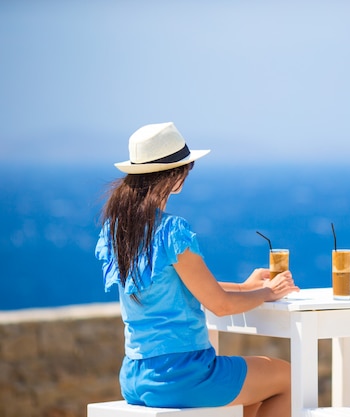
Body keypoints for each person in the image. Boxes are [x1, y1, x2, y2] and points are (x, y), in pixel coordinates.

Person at [95, 122, 299, 417]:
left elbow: (182, 287)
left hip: (135, 377)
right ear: (175, 175)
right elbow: (219, 304)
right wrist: (268, 292)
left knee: (252, 395)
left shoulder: (119, 231)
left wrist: (247, 287)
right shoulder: (171, 231)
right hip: (182, 375)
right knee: (288, 377)